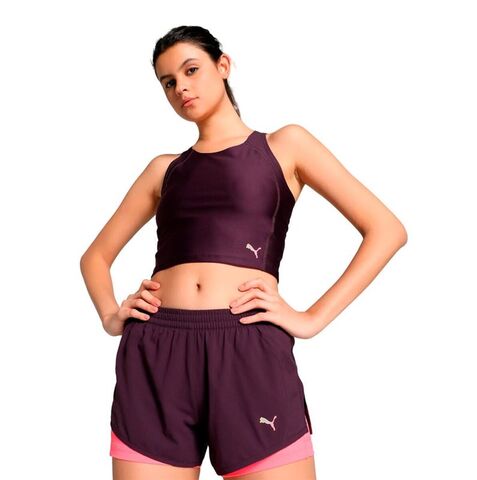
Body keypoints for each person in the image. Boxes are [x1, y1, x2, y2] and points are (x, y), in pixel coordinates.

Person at [80, 25, 407, 480]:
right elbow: (95, 257)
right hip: (157, 351)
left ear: (223, 66)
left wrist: (310, 319)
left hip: (247, 343)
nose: (181, 88)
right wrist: (110, 315)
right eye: (168, 82)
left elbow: (386, 230)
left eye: (191, 70)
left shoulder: (285, 146)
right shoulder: (163, 170)